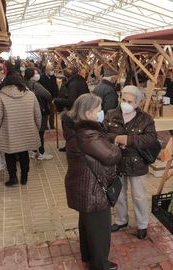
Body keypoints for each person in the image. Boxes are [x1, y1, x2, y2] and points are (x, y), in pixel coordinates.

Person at [62, 94, 120, 270]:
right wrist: (116, 147)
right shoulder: (87, 134)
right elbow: (111, 156)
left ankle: (88, 255)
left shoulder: (76, 129)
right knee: (100, 230)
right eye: (98, 109)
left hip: (82, 186)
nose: (101, 112)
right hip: (93, 189)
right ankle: (101, 264)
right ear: (87, 113)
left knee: (87, 225)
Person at [104, 86, 157, 240]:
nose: (125, 104)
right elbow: (102, 133)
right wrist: (115, 139)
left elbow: (151, 139)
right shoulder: (111, 114)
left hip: (137, 162)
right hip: (117, 161)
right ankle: (121, 220)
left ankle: (142, 224)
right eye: (123, 100)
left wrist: (129, 140)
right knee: (119, 193)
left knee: (139, 196)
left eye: (130, 101)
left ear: (138, 103)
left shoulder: (145, 119)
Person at [0, 71, 41, 187]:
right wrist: (36, 127)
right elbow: (37, 114)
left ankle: (13, 178)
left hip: (9, 132)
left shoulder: (1, 96)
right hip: (27, 130)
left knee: (9, 154)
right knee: (24, 154)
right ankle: (24, 177)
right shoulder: (30, 95)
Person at [24, 67, 54, 161]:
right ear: (32, 75)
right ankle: (41, 152)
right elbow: (47, 95)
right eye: (36, 73)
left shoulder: (24, 84)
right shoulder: (35, 85)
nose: (38, 75)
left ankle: (34, 152)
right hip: (40, 109)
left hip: (29, 110)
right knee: (40, 131)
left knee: (33, 131)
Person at [40, 63, 59, 129]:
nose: (52, 71)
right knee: (45, 112)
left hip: (52, 97)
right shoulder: (41, 77)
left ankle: (52, 124)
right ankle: (45, 125)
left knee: (52, 111)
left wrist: (56, 94)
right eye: (51, 70)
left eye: (53, 69)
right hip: (44, 98)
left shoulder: (53, 77)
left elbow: (55, 86)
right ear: (47, 70)